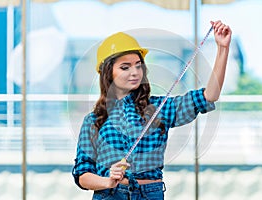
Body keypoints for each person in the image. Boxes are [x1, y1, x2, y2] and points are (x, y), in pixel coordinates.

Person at [72, 20, 232, 200]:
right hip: (109, 195)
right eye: (125, 67)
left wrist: (222, 49)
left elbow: (209, 96)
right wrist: (107, 181)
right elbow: (82, 174)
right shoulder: (93, 121)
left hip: (150, 194)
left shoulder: (160, 109)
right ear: (108, 72)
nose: (135, 72)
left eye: (138, 65)